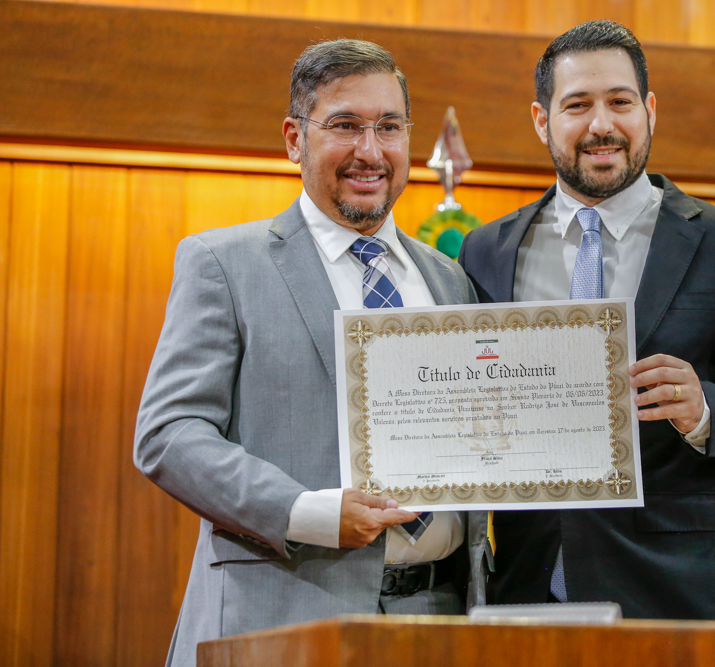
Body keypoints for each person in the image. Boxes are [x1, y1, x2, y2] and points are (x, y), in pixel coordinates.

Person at [135, 39, 488, 667]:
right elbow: (168, 434)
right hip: (281, 614)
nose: (370, 151)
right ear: (296, 139)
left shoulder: (449, 279)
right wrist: (307, 512)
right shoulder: (223, 263)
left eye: (389, 127)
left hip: (441, 619)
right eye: (345, 126)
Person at [458, 21, 715, 620]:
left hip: (683, 590)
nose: (602, 124)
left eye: (620, 102)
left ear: (649, 111)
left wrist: (705, 408)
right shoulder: (487, 251)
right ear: (541, 119)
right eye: (577, 105)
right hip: (527, 582)